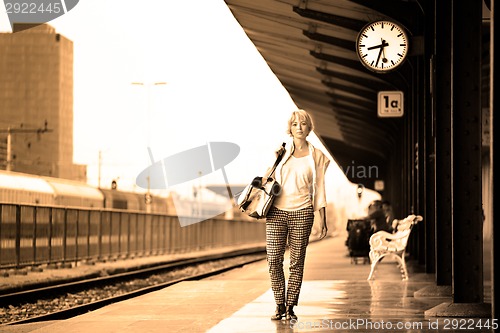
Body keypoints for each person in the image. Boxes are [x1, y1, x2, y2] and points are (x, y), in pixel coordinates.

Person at [264, 109, 330, 321]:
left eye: (303, 124)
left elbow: (319, 188)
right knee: (274, 259)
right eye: (295, 124)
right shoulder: (281, 153)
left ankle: (290, 306)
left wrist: (322, 219)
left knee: (296, 262)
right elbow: (267, 180)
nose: (299, 127)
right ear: (289, 129)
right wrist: (275, 162)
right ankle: (279, 303)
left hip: (302, 213)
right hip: (276, 212)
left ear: (309, 128)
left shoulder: (317, 156)